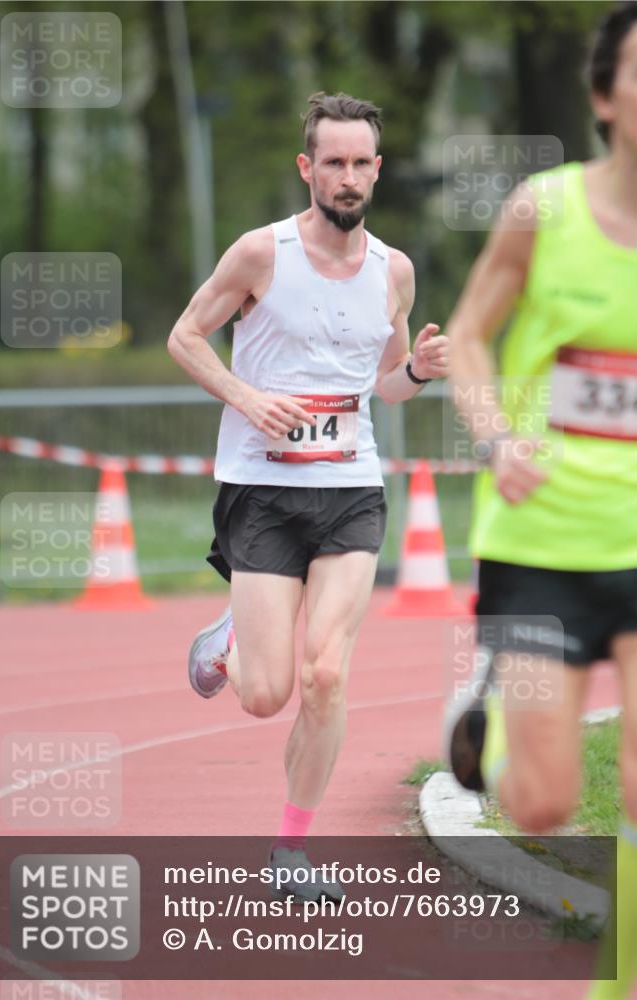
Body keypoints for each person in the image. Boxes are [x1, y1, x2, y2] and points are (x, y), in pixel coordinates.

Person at [168, 92, 449, 901]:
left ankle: (290, 852)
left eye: (362, 163)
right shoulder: (260, 254)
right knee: (265, 697)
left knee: (327, 674)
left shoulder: (393, 271)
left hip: (350, 488)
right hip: (261, 489)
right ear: (308, 167)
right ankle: (229, 640)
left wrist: (420, 373)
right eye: (334, 162)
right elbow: (185, 336)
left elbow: (385, 388)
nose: (349, 176)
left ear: (378, 169)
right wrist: (247, 398)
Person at [443, 4, 637, 997]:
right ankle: (492, 719)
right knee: (543, 799)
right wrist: (495, 434)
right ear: (605, 96)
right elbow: (470, 335)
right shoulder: (544, 209)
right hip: (542, 542)